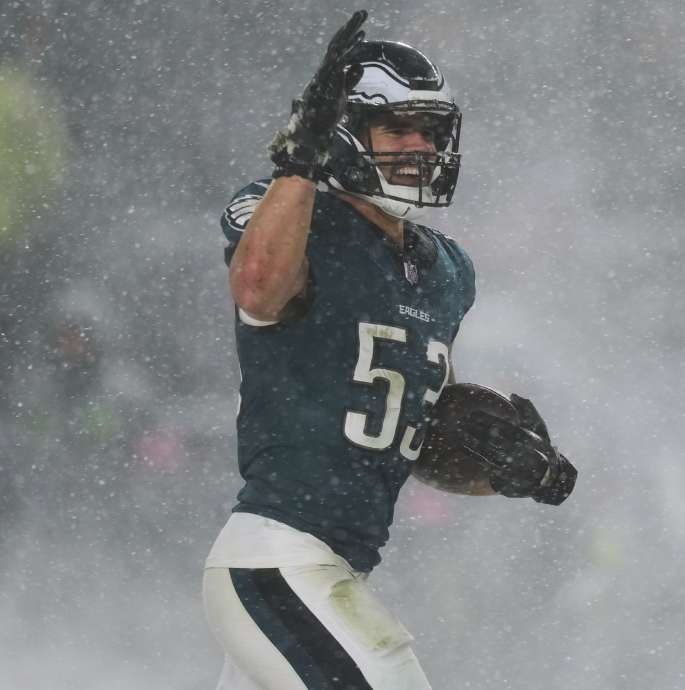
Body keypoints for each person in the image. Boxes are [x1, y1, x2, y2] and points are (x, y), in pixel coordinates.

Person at [202, 11, 577, 690]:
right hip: (278, 557)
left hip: (332, 569)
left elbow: (418, 439)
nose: (420, 147)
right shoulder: (291, 211)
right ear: (345, 132)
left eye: (430, 131)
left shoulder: (446, 270)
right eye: (397, 127)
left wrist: (503, 470)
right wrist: (300, 164)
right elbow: (256, 289)